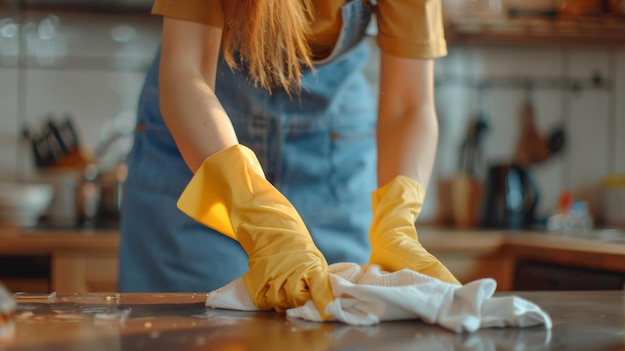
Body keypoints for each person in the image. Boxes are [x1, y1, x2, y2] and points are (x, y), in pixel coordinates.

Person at [118, 0, 459, 317]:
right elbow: (185, 70)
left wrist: (396, 221)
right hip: (200, 146)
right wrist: (254, 207)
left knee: (339, 325)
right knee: (198, 331)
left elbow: (409, 105)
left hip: (332, 154)